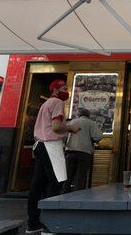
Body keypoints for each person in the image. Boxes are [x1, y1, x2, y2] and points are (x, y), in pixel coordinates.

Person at [27, 80, 80, 233]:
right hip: (51, 146)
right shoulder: (57, 102)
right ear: (56, 90)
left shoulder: (45, 104)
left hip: (39, 145)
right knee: (57, 183)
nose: (67, 91)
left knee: (37, 185)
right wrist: (71, 128)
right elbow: (56, 127)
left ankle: (33, 223)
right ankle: (49, 224)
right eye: (64, 88)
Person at [62, 109, 103, 193]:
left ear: (79, 115)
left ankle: (63, 195)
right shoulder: (91, 123)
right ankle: (78, 197)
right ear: (88, 115)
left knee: (67, 177)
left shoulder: (72, 122)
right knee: (80, 177)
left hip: (70, 152)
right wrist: (93, 140)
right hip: (84, 153)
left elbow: (63, 136)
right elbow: (99, 136)